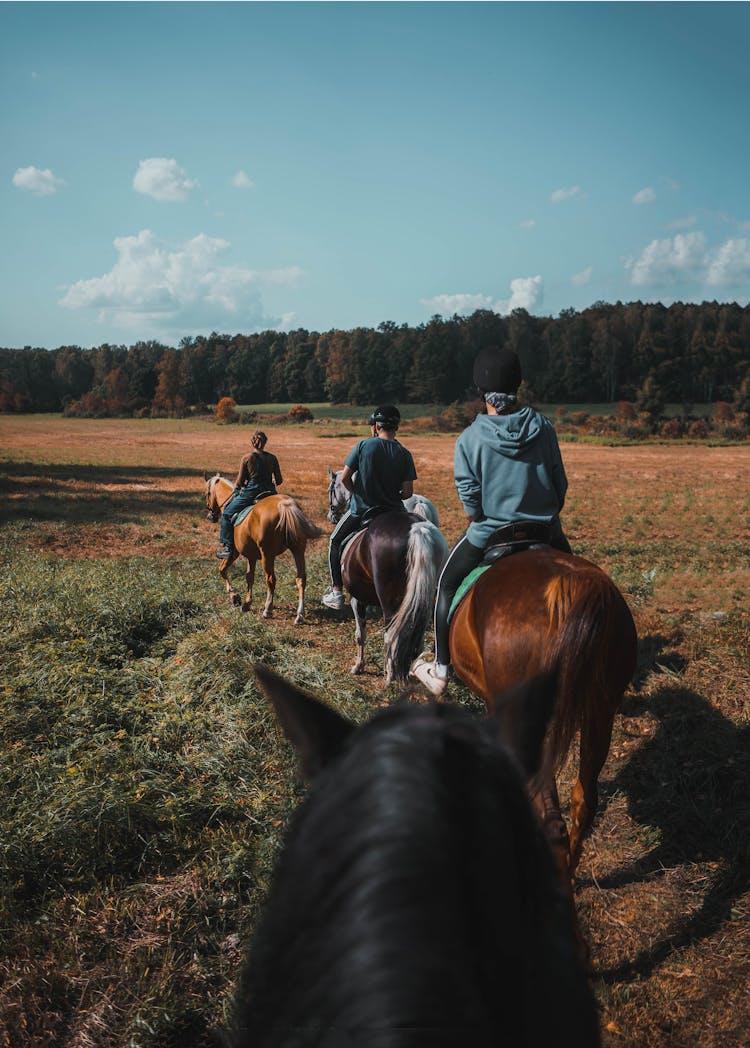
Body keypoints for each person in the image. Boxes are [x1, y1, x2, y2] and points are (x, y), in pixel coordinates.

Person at [410, 346, 571, 695]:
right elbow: (560, 485)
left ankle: (439, 668)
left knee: (446, 585)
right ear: (518, 386)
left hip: (491, 534)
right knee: (578, 580)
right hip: (545, 530)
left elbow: (471, 507)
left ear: (481, 391)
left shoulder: (468, 438)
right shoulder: (544, 427)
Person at [321, 405, 417, 609]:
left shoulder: (364, 445)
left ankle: (336, 592)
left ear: (376, 426)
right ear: (396, 427)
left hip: (363, 509)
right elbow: (408, 492)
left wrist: (357, 493)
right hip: (394, 512)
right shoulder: (404, 453)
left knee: (335, 541)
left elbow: (345, 477)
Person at [215, 431, 282, 559]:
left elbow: (240, 482)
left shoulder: (247, 458)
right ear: (265, 442)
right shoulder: (272, 458)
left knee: (227, 513)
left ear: (252, 442)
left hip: (251, 493)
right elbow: (279, 481)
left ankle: (228, 548)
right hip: (270, 493)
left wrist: (236, 488)